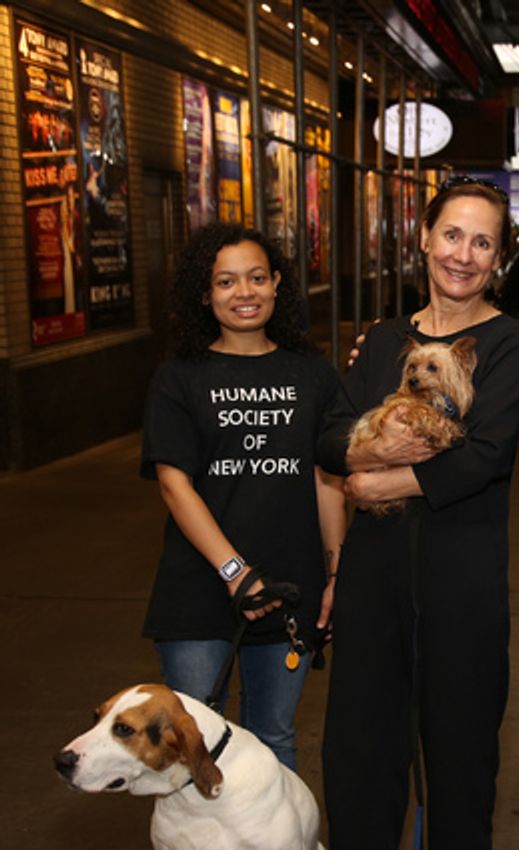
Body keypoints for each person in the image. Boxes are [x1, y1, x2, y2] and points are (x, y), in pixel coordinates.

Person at [319, 176, 519, 850]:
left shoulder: (508, 343)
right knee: (360, 754)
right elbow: (328, 436)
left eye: (482, 243)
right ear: (422, 237)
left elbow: (487, 454)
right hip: (372, 581)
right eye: (452, 235)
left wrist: (386, 483)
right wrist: (366, 450)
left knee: (460, 760)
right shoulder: (385, 338)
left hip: (461, 584)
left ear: (498, 258)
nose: (463, 254)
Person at [140, 223, 347, 770]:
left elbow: (327, 478)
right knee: (193, 750)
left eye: (256, 277)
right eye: (226, 281)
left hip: (290, 591)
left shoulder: (312, 375)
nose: (244, 292)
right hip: (200, 592)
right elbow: (173, 482)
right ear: (205, 294)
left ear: (277, 284)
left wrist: (335, 572)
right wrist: (236, 572)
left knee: (273, 740)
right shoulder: (179, 377)